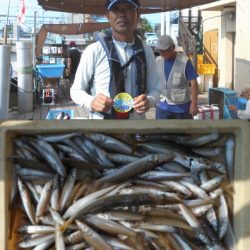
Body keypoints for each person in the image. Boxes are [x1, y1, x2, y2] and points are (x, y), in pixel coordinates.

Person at [70, 0, 161, 119]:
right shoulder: (93, 50)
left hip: (136, 127)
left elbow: (156, 89)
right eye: (116, 8)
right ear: (107, 15)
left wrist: (149, 100)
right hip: (102, 128)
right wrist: (91, 101)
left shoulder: (146, 51)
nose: (122, 14)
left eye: (128, 8)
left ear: (137, 15)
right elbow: (76, 90)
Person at [155, 35, 199, 119]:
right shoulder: (158, 61)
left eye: (165, 50)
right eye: (160, 50)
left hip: (182, 108)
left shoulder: (184, 61)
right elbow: (155, 80)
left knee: (183, 132)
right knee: (161, 131)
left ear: (173, 47)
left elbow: (194, 83)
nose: (162, 53)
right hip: (162, 106)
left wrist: (194, 105)